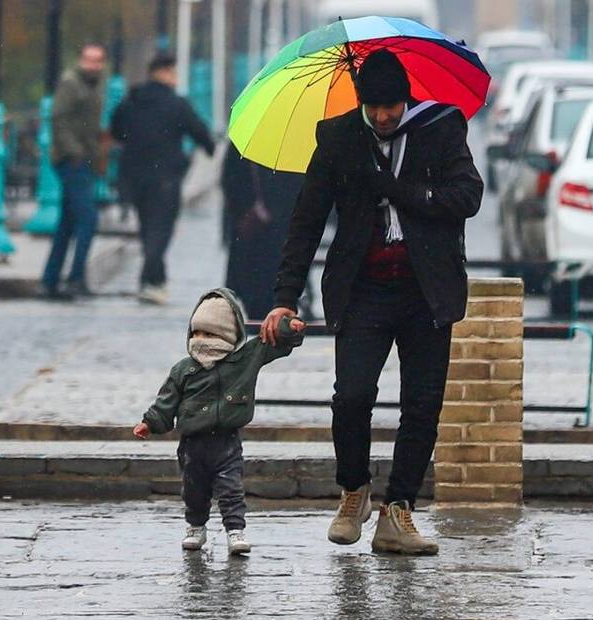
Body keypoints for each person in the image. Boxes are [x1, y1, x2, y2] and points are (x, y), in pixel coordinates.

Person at [261, 50, 483, 555]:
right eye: (374, 107)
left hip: (427, 288)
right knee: (353, 396)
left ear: (406, 99)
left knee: (423, 405)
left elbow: (466, 197)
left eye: (392, 107)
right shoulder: (339, 138)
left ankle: (398, 510)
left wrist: (401, 190)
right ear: (361, 102)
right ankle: (354, 490)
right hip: (363, 289)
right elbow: (306, 221)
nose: (384, 117)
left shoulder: (442, 127)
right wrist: (284, 298)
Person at [134, 289, 305, 555]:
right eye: (197, 333)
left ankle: (235, 530)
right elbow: (166, 401)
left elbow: (272, 343)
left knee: (231, 489)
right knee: (194, 490)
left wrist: (288, 328)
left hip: (226, 441)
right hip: (192, 444)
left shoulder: (243, 360)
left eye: (210, 334)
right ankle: (196, 526)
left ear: (228, 336)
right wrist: (151, 422)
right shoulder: (184, 369)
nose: (201, 340)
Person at [110, 53, 215, 305]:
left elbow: (117, 130)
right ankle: (150, 278)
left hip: (135, 176)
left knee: (147, 228)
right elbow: (200, 131)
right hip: (165, 176)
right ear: (165, 72)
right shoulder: (176, 103)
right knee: (161, 230)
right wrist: (209, 147)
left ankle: (155, 281)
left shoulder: (131, 100)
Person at [40, 43, 107, 300]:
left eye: (98, 61)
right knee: (88, 219)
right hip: (72, 161)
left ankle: (50, 280)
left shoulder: (93, 85)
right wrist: (75, 152)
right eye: (89, 60)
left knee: (67, 224)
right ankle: (76, 277)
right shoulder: (71, 83)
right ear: (81, 60)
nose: (93, 65)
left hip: (83, 160)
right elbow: (59, 119)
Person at [221, 142, 304, 319]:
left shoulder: (250, 142)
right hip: (271, 228)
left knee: (258, 286)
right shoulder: (296, 147)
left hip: (259, 227)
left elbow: (230, 178)